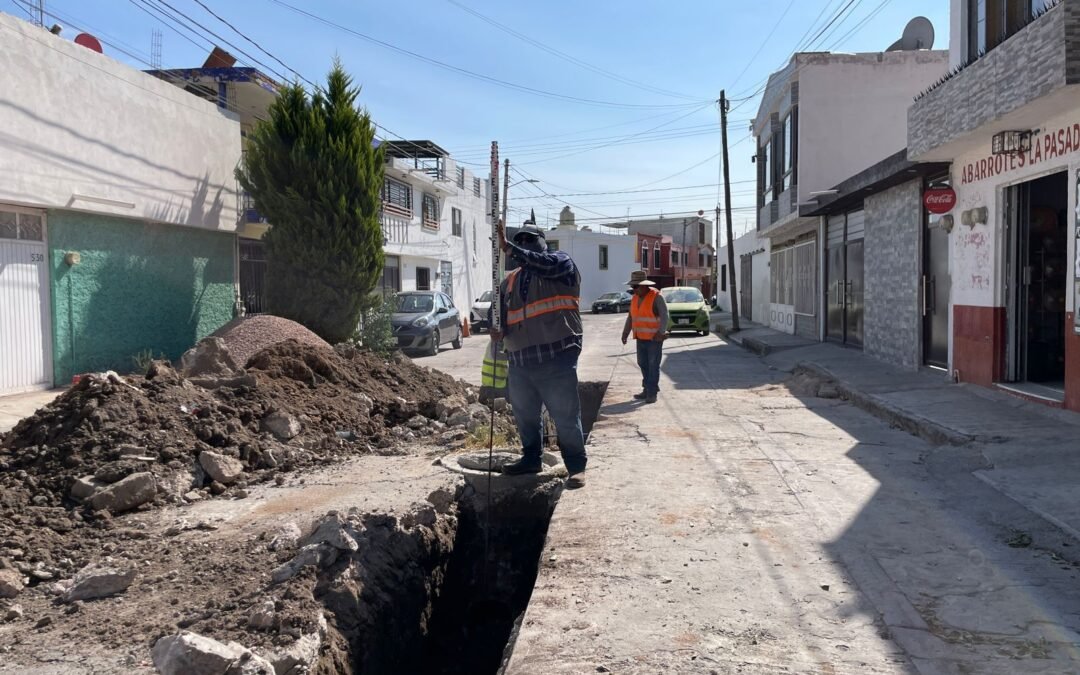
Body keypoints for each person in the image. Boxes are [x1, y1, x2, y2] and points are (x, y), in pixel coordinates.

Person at [489, 219, 587, 488]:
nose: (524, 244)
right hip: (520, 360)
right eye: (520, 240)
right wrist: (496, 328)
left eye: (530, 239)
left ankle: (576, 467)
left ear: (543, 242)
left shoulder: (560, 263)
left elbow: (543, 263)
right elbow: (498, 313)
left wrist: (510, 248)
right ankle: (531, 459)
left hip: (557, 354)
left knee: (565, 415)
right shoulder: (510, 280)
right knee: (526, 416)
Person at [621, 270, 668, 404]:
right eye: (632, 287)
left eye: (636, 286)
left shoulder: (656, 297)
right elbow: (631, 317)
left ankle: (652, 393)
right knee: (643, 363)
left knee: (653, 365)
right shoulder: (635, 298)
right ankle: (647, 388)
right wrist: (625, 332)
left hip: (654, 339)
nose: (634, 289)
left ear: (644, 285)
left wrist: (661, 332)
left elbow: (665, 315)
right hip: (640, 337)